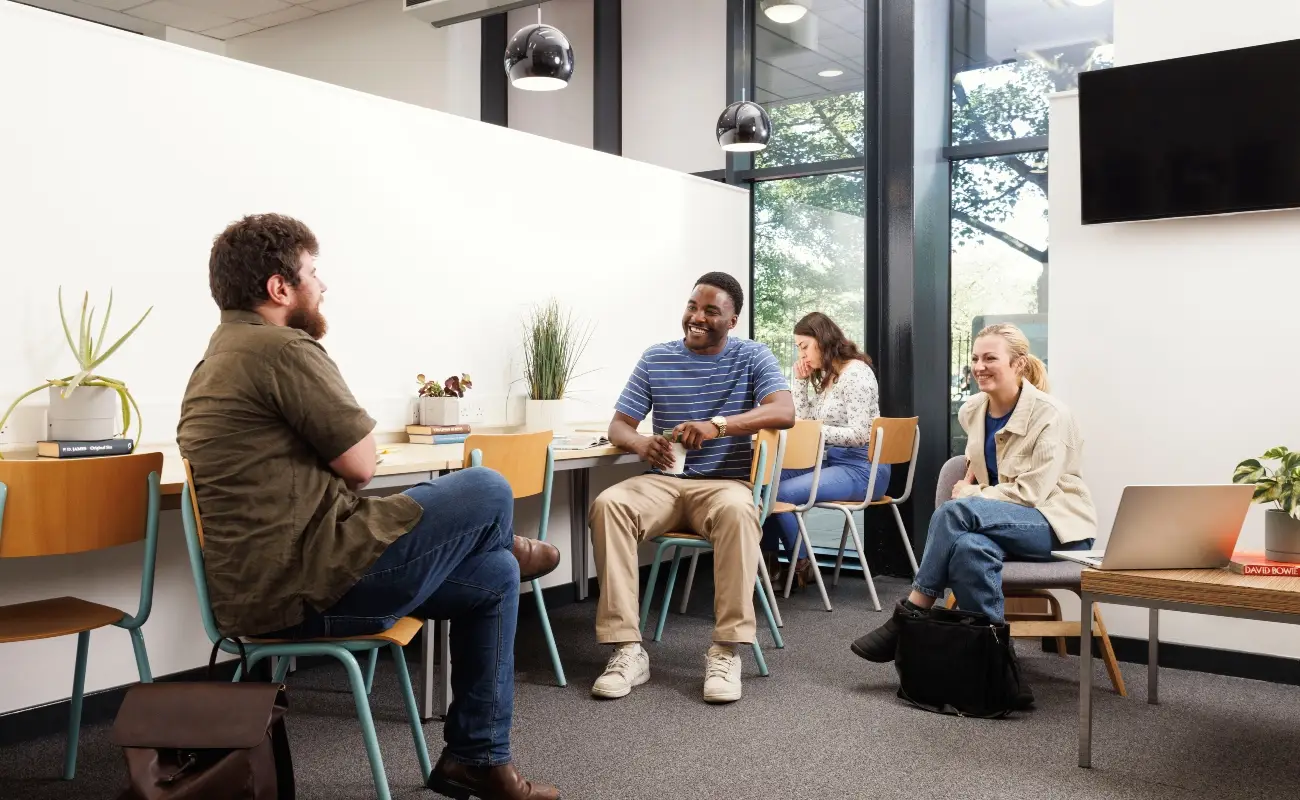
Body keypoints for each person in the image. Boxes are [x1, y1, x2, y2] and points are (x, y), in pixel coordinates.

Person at [177, 213, 561, 800]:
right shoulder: (282, 348)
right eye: (312, 273)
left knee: (495, 576)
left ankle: (477, 759)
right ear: (280, 289)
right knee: (486, 486)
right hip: (312, 588)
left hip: (266, 594)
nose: (322, 286)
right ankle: (502, 536)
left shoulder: (215, 359)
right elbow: (360, 465)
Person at [587, 272, 795, 704]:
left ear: (732, 320)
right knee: (609, 504)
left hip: (724, 485)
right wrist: (642, 443)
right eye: (692, 307)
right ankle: (627, 649)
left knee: (741, 512)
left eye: (711, 311)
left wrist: (717, 425)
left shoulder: (753, 356)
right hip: (664, 482)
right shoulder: (656, 358)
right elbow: (618, 426)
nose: (696, 318)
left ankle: (726, 650)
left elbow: (784, 410)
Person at [849, 323, 1097, 662]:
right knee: (968, 548)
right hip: (1002, 523)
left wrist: (972, 493)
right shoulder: (973, 411)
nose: (979, 367)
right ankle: (995, 662)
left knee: (955, 511)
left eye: (990, 358)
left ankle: (910, 612)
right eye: (976, 358)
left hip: (1056, 527)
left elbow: (1031, 494)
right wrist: (972, 484)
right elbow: (978, 462)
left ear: (1019, 364)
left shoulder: (1051, 416)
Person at [760, 312, 889, 590]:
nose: (802, 355)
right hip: (834, 462)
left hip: (864, 468)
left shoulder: (856, 374)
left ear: (822, 340)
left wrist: (816, 433)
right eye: (798, 349)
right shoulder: (831, 377)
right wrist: (801, 384)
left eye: (804, 346)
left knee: (780, 493)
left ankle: (800, 565)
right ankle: (767, 566)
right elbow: (805, 422)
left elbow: (860, 435)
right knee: (765, 480)